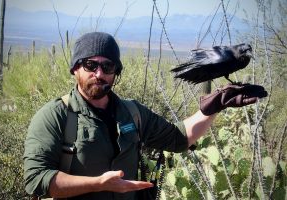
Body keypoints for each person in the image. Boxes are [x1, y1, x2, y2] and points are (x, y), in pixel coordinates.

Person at [23, 32, 267, 200]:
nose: (99, 73)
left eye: (107, 66)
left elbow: (179, 139)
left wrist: (213, 106)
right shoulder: (54, 116)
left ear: (116, 72)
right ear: (75, 68)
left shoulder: (132, 113)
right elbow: (36, 179)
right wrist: (99, 183)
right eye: (90, 65)